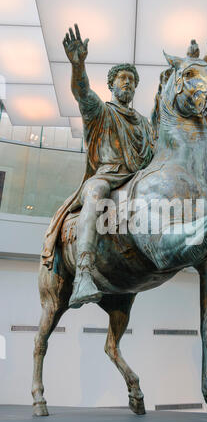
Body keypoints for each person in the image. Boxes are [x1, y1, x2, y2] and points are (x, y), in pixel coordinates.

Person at [41, 24, 153, 309]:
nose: (127, 83)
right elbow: (81, 91)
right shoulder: (100, 111)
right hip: (107, 176)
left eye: (131, 80)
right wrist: (78, 65)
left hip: (138, 181)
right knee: (94, 191)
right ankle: (84, 273)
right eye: (122, 79)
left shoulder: (144, 124)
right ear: (112, 85)